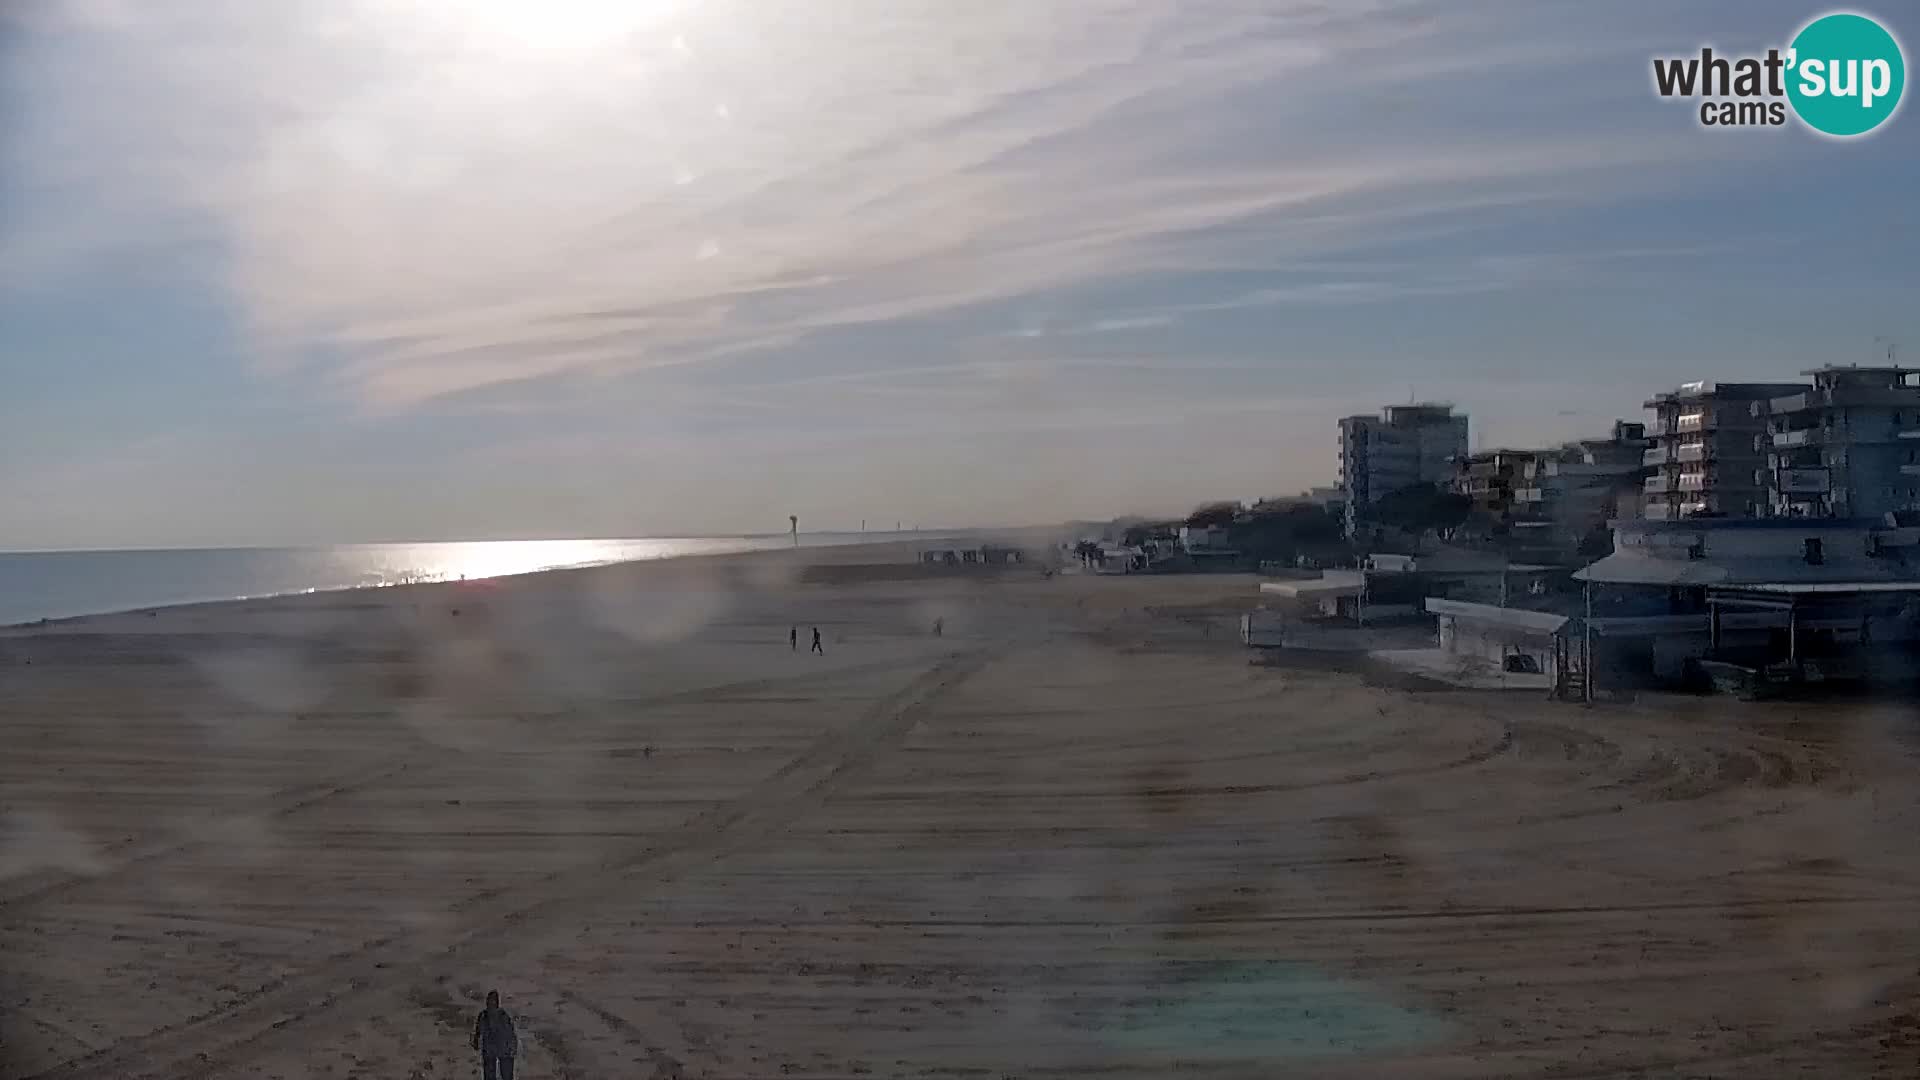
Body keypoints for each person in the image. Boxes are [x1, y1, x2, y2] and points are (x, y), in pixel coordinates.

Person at [472, 990, 519, 1080]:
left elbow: (510, 1033)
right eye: (489, 1001)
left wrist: (512, 1047)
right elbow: (478, 1032)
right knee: (497, 1073)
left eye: (492, 1001)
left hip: (501, 1049)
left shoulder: (501, 1016)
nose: (489, 1003)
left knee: (504, 1074)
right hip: (494, 1049)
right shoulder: (484, 1016)